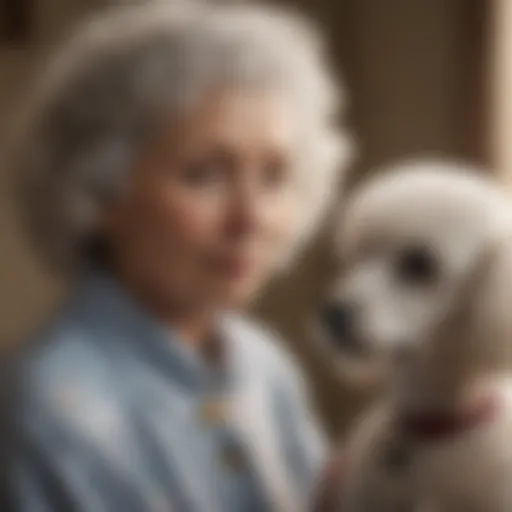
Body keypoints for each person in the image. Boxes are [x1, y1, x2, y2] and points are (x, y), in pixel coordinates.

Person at [1, 1, 351, 510]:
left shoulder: (264, 363)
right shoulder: (45, 410)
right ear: (101, 190)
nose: (251, 218)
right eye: (205, 174)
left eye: (275, 177)